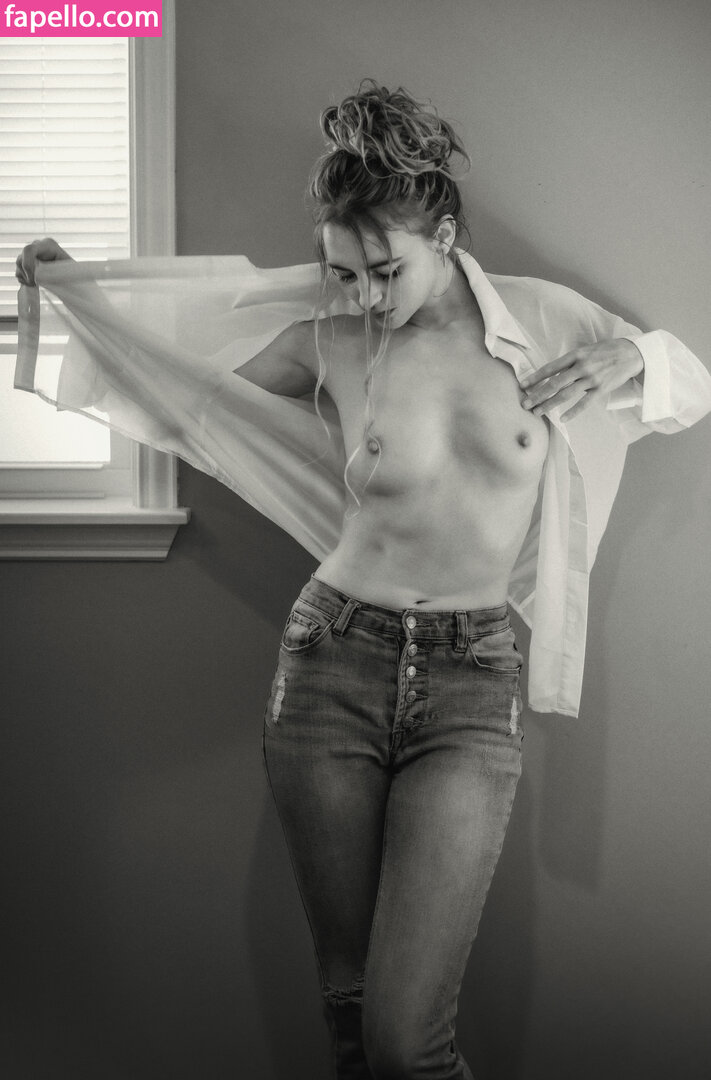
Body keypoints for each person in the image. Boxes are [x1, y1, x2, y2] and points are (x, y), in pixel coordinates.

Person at [15, 80, 711, 1080]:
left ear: (445, 236)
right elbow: (182, 385)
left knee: (404, 1039)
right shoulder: (333, 338)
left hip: (471, 688)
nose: (367, 298)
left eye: (385, 272)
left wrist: (633, 358)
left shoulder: (545, 322)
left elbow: (691, 384)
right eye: (343, 275)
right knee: (350, 1016)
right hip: (330, 666)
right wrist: (79, 295)